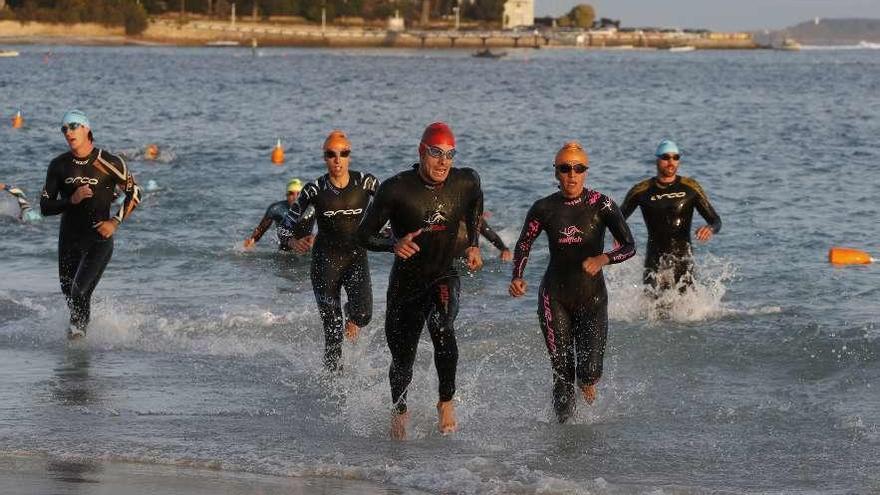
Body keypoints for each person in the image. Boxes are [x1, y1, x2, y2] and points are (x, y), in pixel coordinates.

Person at [357, 122, 484, 440]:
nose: (443, 161)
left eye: (450, 154)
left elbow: (475, 203)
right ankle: (399, 408)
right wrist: (393, 245)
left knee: (443, 327)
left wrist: (474, 244)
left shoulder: (465, 181)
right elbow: (364, 234)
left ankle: (445, 401)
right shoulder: (396, 189)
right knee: (402, 359)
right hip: (405, 285)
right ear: (421, 151)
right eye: (436, 153)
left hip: (444, 274)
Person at [509, 141, 635, 423]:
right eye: (565, 169)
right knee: (563, 373)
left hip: (593, 299)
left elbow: (629, 245)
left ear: (585, 172)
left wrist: (603, 259)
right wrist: (517, 276)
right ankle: (564, 437)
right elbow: (524, 244)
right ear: (556, 173)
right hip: (555, 298)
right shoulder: (543, 208)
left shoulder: (601, 205)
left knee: (589, 371)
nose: (572, 175)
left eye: (578, 168)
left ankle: (587, 382)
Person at [277, 131, 378, 372]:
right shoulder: (314, 189)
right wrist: (293, 243)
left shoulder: (367, 182)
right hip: (325, 264)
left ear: (349, 156)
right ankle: (331, 385)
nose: (337, 159)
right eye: (331, 154)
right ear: (325, 158)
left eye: (343, 154)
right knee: (333, 336)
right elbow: (284, 227)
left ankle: (351, 313)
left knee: (362, 315)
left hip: (356, 258)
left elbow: (392, 211)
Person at [40, 109, 141, 339]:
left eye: (73, 126)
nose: (68, 132)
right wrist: (71, 200)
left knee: (79, 291)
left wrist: (114, 222)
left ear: (87, 129)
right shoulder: (58, 165)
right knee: (71, 295)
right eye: (64, 128)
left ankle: (77, 340)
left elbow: (135, 192)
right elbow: (45, 207)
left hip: (98, 238)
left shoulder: (109, 162)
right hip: (68, 240)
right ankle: (81, 354)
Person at [620, 139, 722, 293]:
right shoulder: (641, 190)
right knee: (652, 310)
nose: (671, 161)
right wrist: (619, 234)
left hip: (683, 260)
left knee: (688, 313)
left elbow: (716, 220)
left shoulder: (690, 188)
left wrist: (710, 228)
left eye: (675, 157)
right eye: (666, 157)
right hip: (655, 261)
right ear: (657, 159)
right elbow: (617, 218)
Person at [243, 178, 306, 251]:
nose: (295, 197)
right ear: (286, 195)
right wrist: (251, 241)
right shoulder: (276, 209)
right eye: (291, 193)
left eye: (298, 193)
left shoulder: (311, 208)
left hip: (306, 247)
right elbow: (261, 229)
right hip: (285, 251)